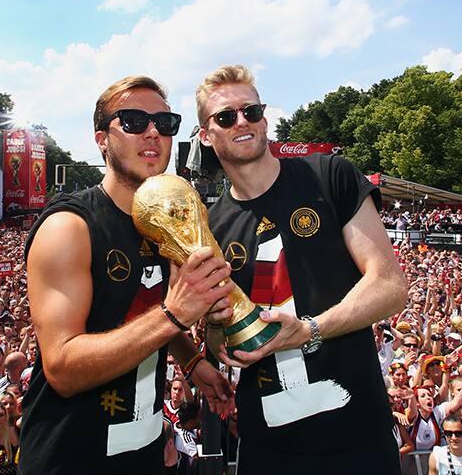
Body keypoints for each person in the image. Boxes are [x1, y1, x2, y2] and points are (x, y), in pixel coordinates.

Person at [195, 65, 408, 473]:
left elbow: (390, 284)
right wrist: (219, 331)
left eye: (251, 111)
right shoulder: (211, 226)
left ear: (264, 118)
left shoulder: (329, 175)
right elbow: (219, 334)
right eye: (226, 117)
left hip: (357, 435)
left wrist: (310, 330)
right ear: (206, 134)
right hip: (268, 446)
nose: (242, 121)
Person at [20, 75, 235, 473]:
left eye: (165, 123)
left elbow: (138, 315)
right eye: (134, 121)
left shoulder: (163, 224)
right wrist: (174, 315)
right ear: (102, 139)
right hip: (70, 457)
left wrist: (191, 361)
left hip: (144, 453)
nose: (153, 132)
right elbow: (63, 368)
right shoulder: (69, 227)